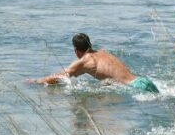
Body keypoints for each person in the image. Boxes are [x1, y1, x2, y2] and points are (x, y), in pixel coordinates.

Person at [28, 33, 159, 92]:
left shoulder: (85, 61)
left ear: (76, 50)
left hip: (135, 88)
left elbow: (57, 77)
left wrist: (35, 81)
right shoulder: (103, 52)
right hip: (143, 81)